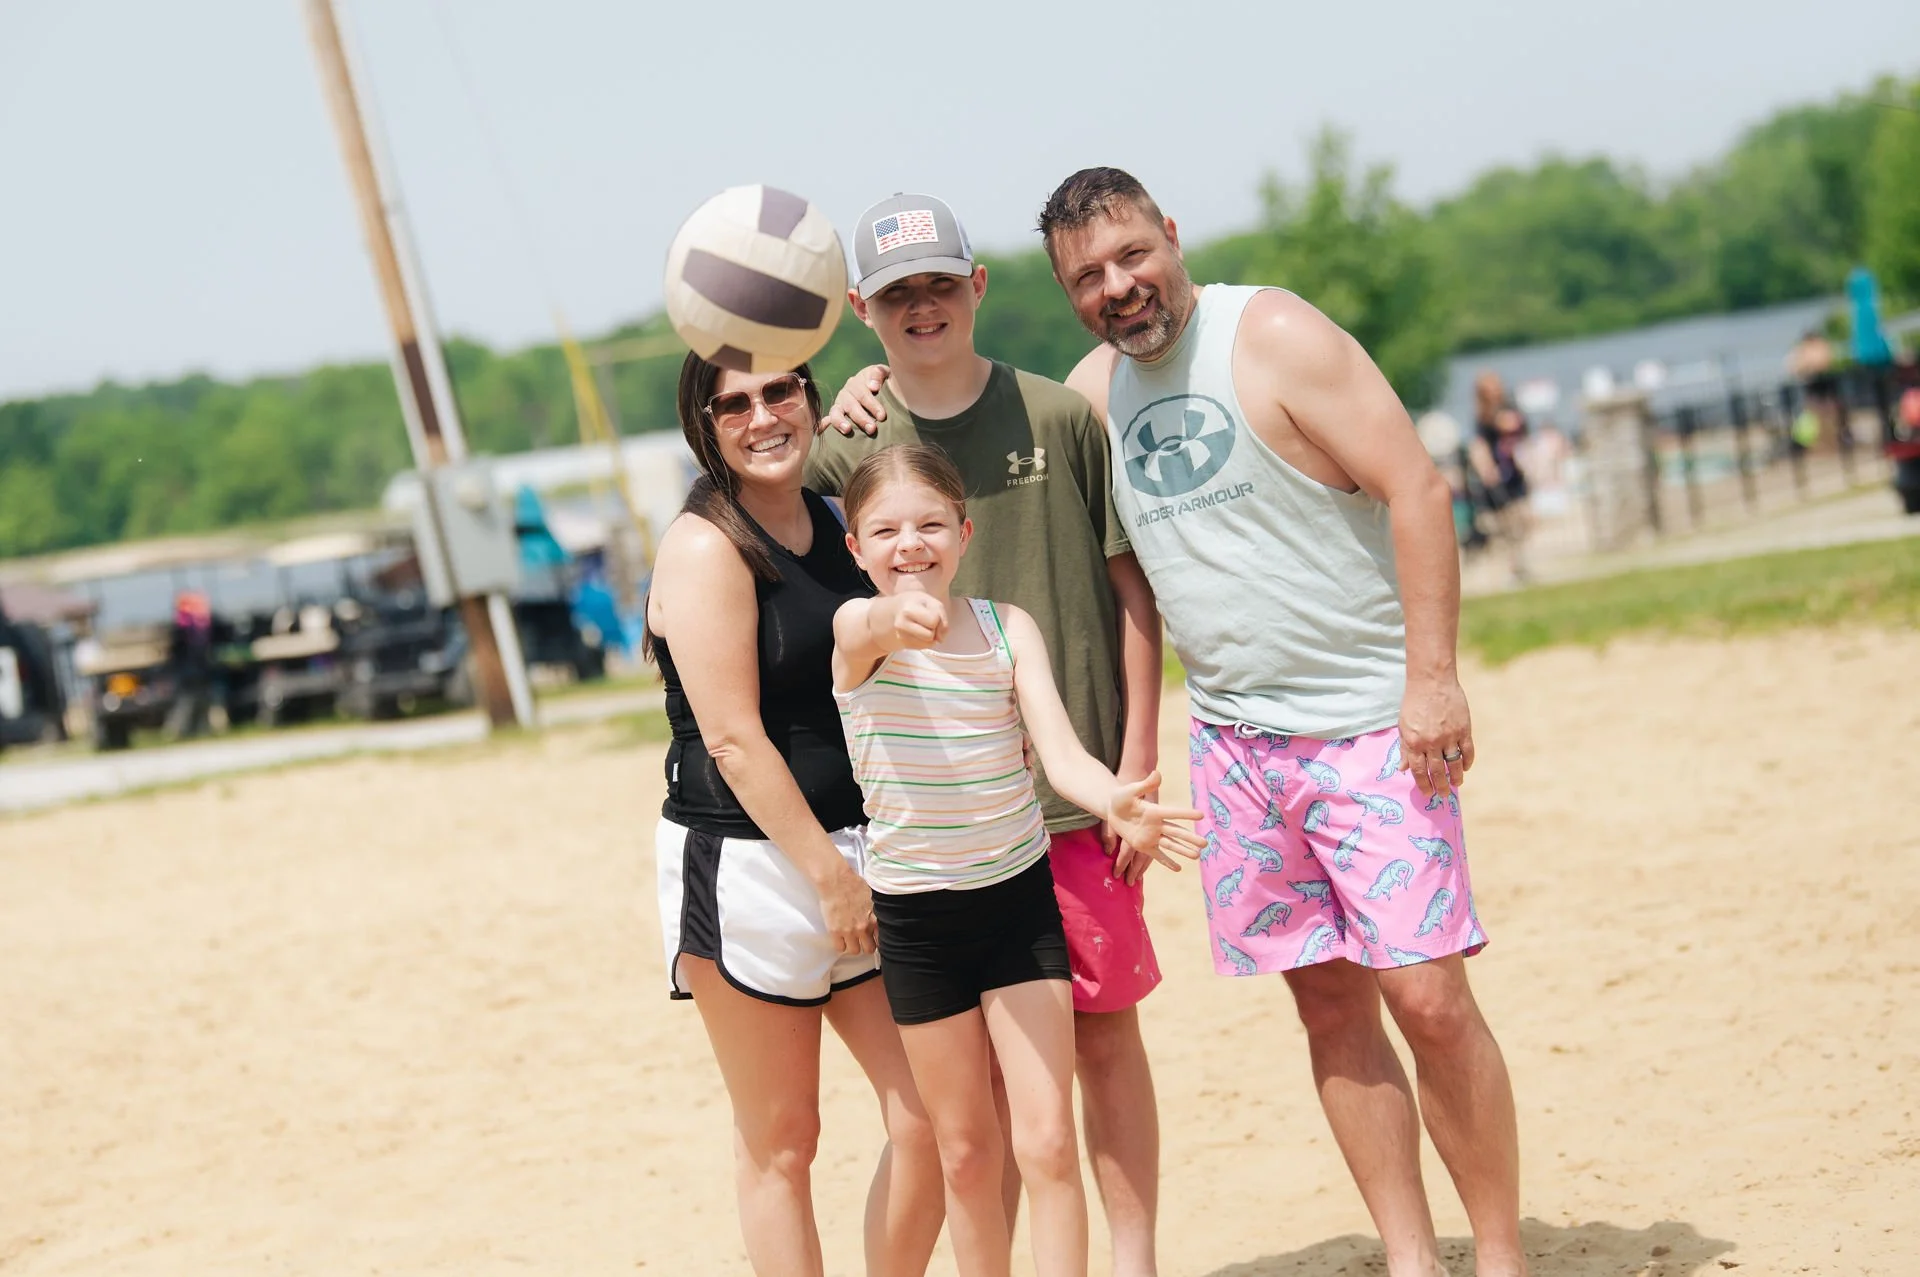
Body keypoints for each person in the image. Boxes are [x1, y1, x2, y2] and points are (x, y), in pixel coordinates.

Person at [1038, 166, 1530, 1277]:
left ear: (1171, 234)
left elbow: (1416, 486)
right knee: (1327, 1003)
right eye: (1089, 276)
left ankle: (1498, 1254)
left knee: (1431, 996)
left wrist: (1434, 678)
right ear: (1069, 291)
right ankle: (1412, 1255)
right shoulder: (1089, 397)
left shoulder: (1273, 334)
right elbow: (1014, 484)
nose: (1120, 287)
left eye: (1132, 255)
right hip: (1239, 750)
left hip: (1369, 723)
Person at [811, 194, 1171, 1275]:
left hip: (1075, 794)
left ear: (976, 287)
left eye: (939, 284)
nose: (921, 306)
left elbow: (1130, 588)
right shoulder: (852, 446)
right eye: (894, 294)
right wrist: (833, 402)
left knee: (1099, 1047)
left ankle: (1136, 1257)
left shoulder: (1059, 413)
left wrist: (1132, 765)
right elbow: (822, 587)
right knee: (977, 1129)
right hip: (941, 842)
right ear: (863, 314)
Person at [829, 444, 1203, 1277]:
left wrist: (1115, 800)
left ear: (965, 532)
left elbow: (1062, 757)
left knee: (1045, 1141)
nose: (909, 544)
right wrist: (896, 617)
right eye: (884, 530)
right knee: (965, 1151)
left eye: (930, 525)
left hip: (1018, 905)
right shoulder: (856, 636)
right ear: (855, 549)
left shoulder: (1007, 625)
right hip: (920, 923)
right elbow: (865, 626)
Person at [642, 354, 943, 1277]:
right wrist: (828, 876)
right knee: (783, 1140)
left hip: (856, 850)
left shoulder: (827, 517)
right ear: (704, 423)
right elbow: (733, 740)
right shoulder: (703, 544)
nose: (761, 415)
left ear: (810, 399)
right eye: (733, 402)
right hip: (753, 868)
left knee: (932, 1112)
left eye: (780, 391)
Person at [1466, 373, 1534, 585]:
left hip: (1516, 473)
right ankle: (1514, 567)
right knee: (1507, 523)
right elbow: (1480, 446)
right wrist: (1486, 470)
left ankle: (1517, 563)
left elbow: (1523, 433)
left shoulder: (1511, 407)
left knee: (1525, 519)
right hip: (1498, 476)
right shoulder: (1483, 418)